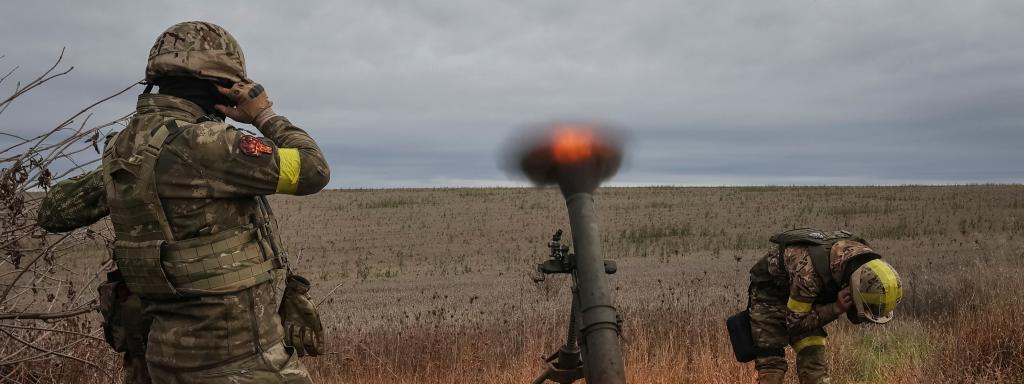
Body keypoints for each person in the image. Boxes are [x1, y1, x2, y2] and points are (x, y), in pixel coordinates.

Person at [37, 21, 329, 383]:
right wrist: (263, 114)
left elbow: (53, 213)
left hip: (160, 361)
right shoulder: (208, 144)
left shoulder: (126, 151)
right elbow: (313, 171)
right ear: (223, 88)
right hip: (239, 363)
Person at [745, 228, 903, 384]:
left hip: (806, 299)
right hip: (771, 296)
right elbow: (794, 324)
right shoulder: (808, 275)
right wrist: (835, 308)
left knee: (814, 363)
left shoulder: (865, 263)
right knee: (772, 367)